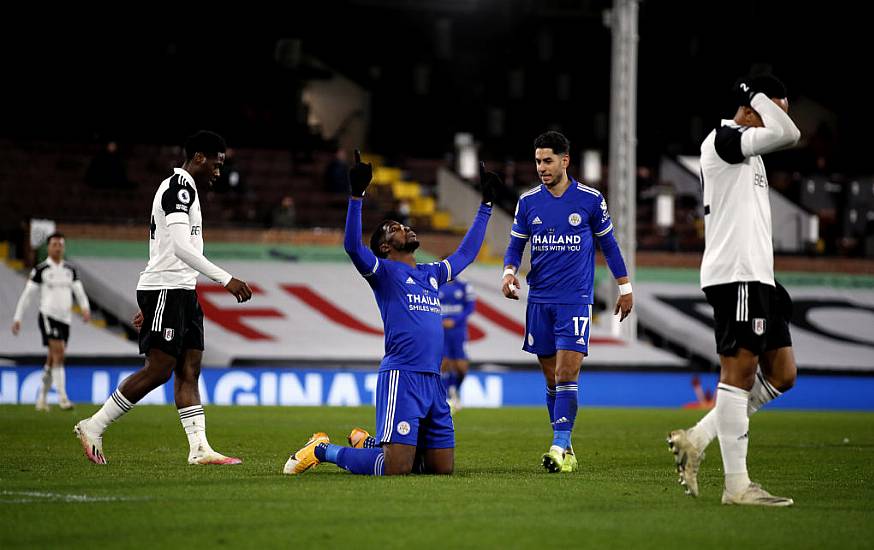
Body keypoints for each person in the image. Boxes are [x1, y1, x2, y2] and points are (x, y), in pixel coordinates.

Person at [283, 152, 498, 476]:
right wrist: (356, 196)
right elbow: (354, 247)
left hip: (433, 380)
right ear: (385, 247)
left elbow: (466, 254)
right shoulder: (383, 272)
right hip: (403, 377)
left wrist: (486, 206)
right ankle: (322, 449)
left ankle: (368, 444)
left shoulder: (430, 273)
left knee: (441, 469)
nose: (405, 228)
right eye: (395, 228)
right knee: (396, 469)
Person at [73, 131, 253, 466]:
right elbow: (181, 248)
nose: (218, 170)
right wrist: (226, 280)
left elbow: (166, 248)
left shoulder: (187, 191)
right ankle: (93, 425)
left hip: (181, 289)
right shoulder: (178, 188)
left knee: (190, 367)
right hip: (167, 288)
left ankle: (199, 448)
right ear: (199, 157)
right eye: (217, 162)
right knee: (159, 369)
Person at [667, 74, 801, 506]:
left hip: (759, 276)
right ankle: (736, 486)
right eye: (774, 109)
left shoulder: (748, 149)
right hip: (736, 275)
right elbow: (790, 133)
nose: (781, 119)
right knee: (738, 375)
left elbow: (783, 131)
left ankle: (698, 438)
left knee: (782, 374)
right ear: (753, 109)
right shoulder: (725, 138)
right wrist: (756, 96)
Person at [501, 130, 633, 474]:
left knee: (566, 373)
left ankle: (558, 447)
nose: (542, 168)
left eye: (547, 161)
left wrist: (625, 286)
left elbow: (610, 245)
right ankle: (568, 448)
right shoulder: (528, 202)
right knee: (551, 381)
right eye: (537, 161)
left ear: (564, 161)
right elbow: (516, 245)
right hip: (539, 301)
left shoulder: (590, 200)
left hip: (575, 301)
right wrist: (509, 272)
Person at [11, 232, 91, 411]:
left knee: (52, 358)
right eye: (54, 244)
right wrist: (18, 318)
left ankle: (41, 398)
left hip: (66, 319)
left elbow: (79, 292)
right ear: (48, 247)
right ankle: (63, 398)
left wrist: (85, 308)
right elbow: (27, 295)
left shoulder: (70, 270)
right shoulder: (41, 270)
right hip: (48, 316)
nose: (58, 247)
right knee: (60, 354)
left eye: (60, 244)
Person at [438, 267, 476, 413]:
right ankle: (446, 397)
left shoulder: (465, 286)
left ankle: (454, 389)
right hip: (441, 330)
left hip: (459, 331)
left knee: (461, 367)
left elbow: (470, 308)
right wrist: (441, 320)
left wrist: (455, 320)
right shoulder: (436, 285)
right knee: (444, 363)